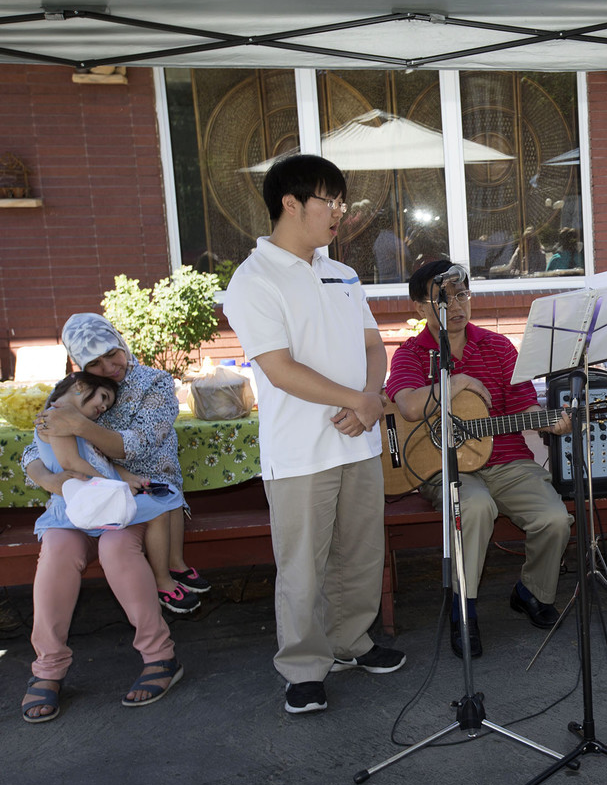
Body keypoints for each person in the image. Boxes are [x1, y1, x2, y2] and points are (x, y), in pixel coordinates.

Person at [224, 154, 405, 715]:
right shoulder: (253, 280)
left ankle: (352, 642)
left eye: (341, 202)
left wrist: (371, 400)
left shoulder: (341, 271)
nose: (339, 214)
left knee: (359, 553)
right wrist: (359, 401)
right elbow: (278, 368)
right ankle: (303, 667)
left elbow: (374, 344)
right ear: (291, 203)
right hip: (301, 451)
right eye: (330, 202)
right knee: (303, 566)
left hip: (358, 438)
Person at [385, 257, 573, 658]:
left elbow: (522, 409)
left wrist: (550, 421)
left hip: (507, 461)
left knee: (555, 519)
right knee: (474, 506)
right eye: (444, 298)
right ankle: (463, 609)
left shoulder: (499, 347)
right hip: (443, 468)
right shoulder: (410, 356)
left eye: (462, 294)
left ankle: (531, 592)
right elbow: (406, 406)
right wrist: (456, 382)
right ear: (420, 308)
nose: (457, 305)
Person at [21, 373, 185, 722]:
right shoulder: (59, 411)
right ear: (81, 381)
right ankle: (48, 665)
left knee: (116, 549)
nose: (103, 408)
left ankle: (160, 654)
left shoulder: (150, 385)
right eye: (101, 399)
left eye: (107, 403)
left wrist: (123, 480)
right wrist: (50, 479)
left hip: (116, 508)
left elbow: (116, 454)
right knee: (57, 552)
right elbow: (53, 458)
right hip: (77, 507)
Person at [24, 313, 206, 614]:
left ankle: (171, 569)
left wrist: (80, 426)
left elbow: (137, 444)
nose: (108, 368)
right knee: (82, 546)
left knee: (163, 501)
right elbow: (35, 448)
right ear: (80, 366)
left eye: (112, 354)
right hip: (92, 490)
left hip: (148, 482)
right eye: (94, 363)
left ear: (121, 342)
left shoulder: (155, 383)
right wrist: (47, 479)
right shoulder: (73, 390)